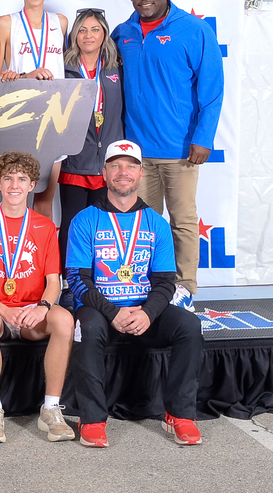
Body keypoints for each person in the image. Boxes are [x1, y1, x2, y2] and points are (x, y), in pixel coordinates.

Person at [66, 140, 203, 447]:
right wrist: (112, 312)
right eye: (115, 165)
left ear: (141, 174)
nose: (123, 172)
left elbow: (166, 281)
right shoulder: (85, 219)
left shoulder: (156, 223)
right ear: (104, 173)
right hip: (100, 311)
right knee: (85, 327)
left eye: (130, 166)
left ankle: (180, 415)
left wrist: (147, 312)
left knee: (190, 327)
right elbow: (76, 279)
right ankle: (92, 418)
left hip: (143, 309)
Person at [112, 0, 224, 311]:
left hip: (180, 149)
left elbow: (212, 89)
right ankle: (147, 286)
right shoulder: (122, 33)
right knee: (141, 224)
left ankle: (184, 288)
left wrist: (203, 137)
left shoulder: (194, 30)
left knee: (183, 221)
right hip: (137, 152)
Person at [0, 151, 75, 443]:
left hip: (31, 310)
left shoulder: (45, 227)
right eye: (8, 178)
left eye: (22, 178)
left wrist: (43, 307)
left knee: (63, 320)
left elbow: (53, 282)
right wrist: (3, 310)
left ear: (33, 184)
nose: (14, 184)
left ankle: (50, 408)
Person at [0, 0, 69, 220]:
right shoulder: (6, 23)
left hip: (54, 117)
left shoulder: (60, 22)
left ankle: (42, 260)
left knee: (45, 199)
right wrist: (24, 76)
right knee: (15, 195)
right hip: (19, 117)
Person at [58, 9, 124, 274]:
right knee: (73, 225)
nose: (88, 35)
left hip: (107, 161)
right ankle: (69, 281)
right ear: (74, 35)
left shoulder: (117, 65)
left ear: (104, 33)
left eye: (95, 29)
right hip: (76, 158)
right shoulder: (63, 67)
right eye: (82, 30)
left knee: (104, 227)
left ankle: (102, 280)